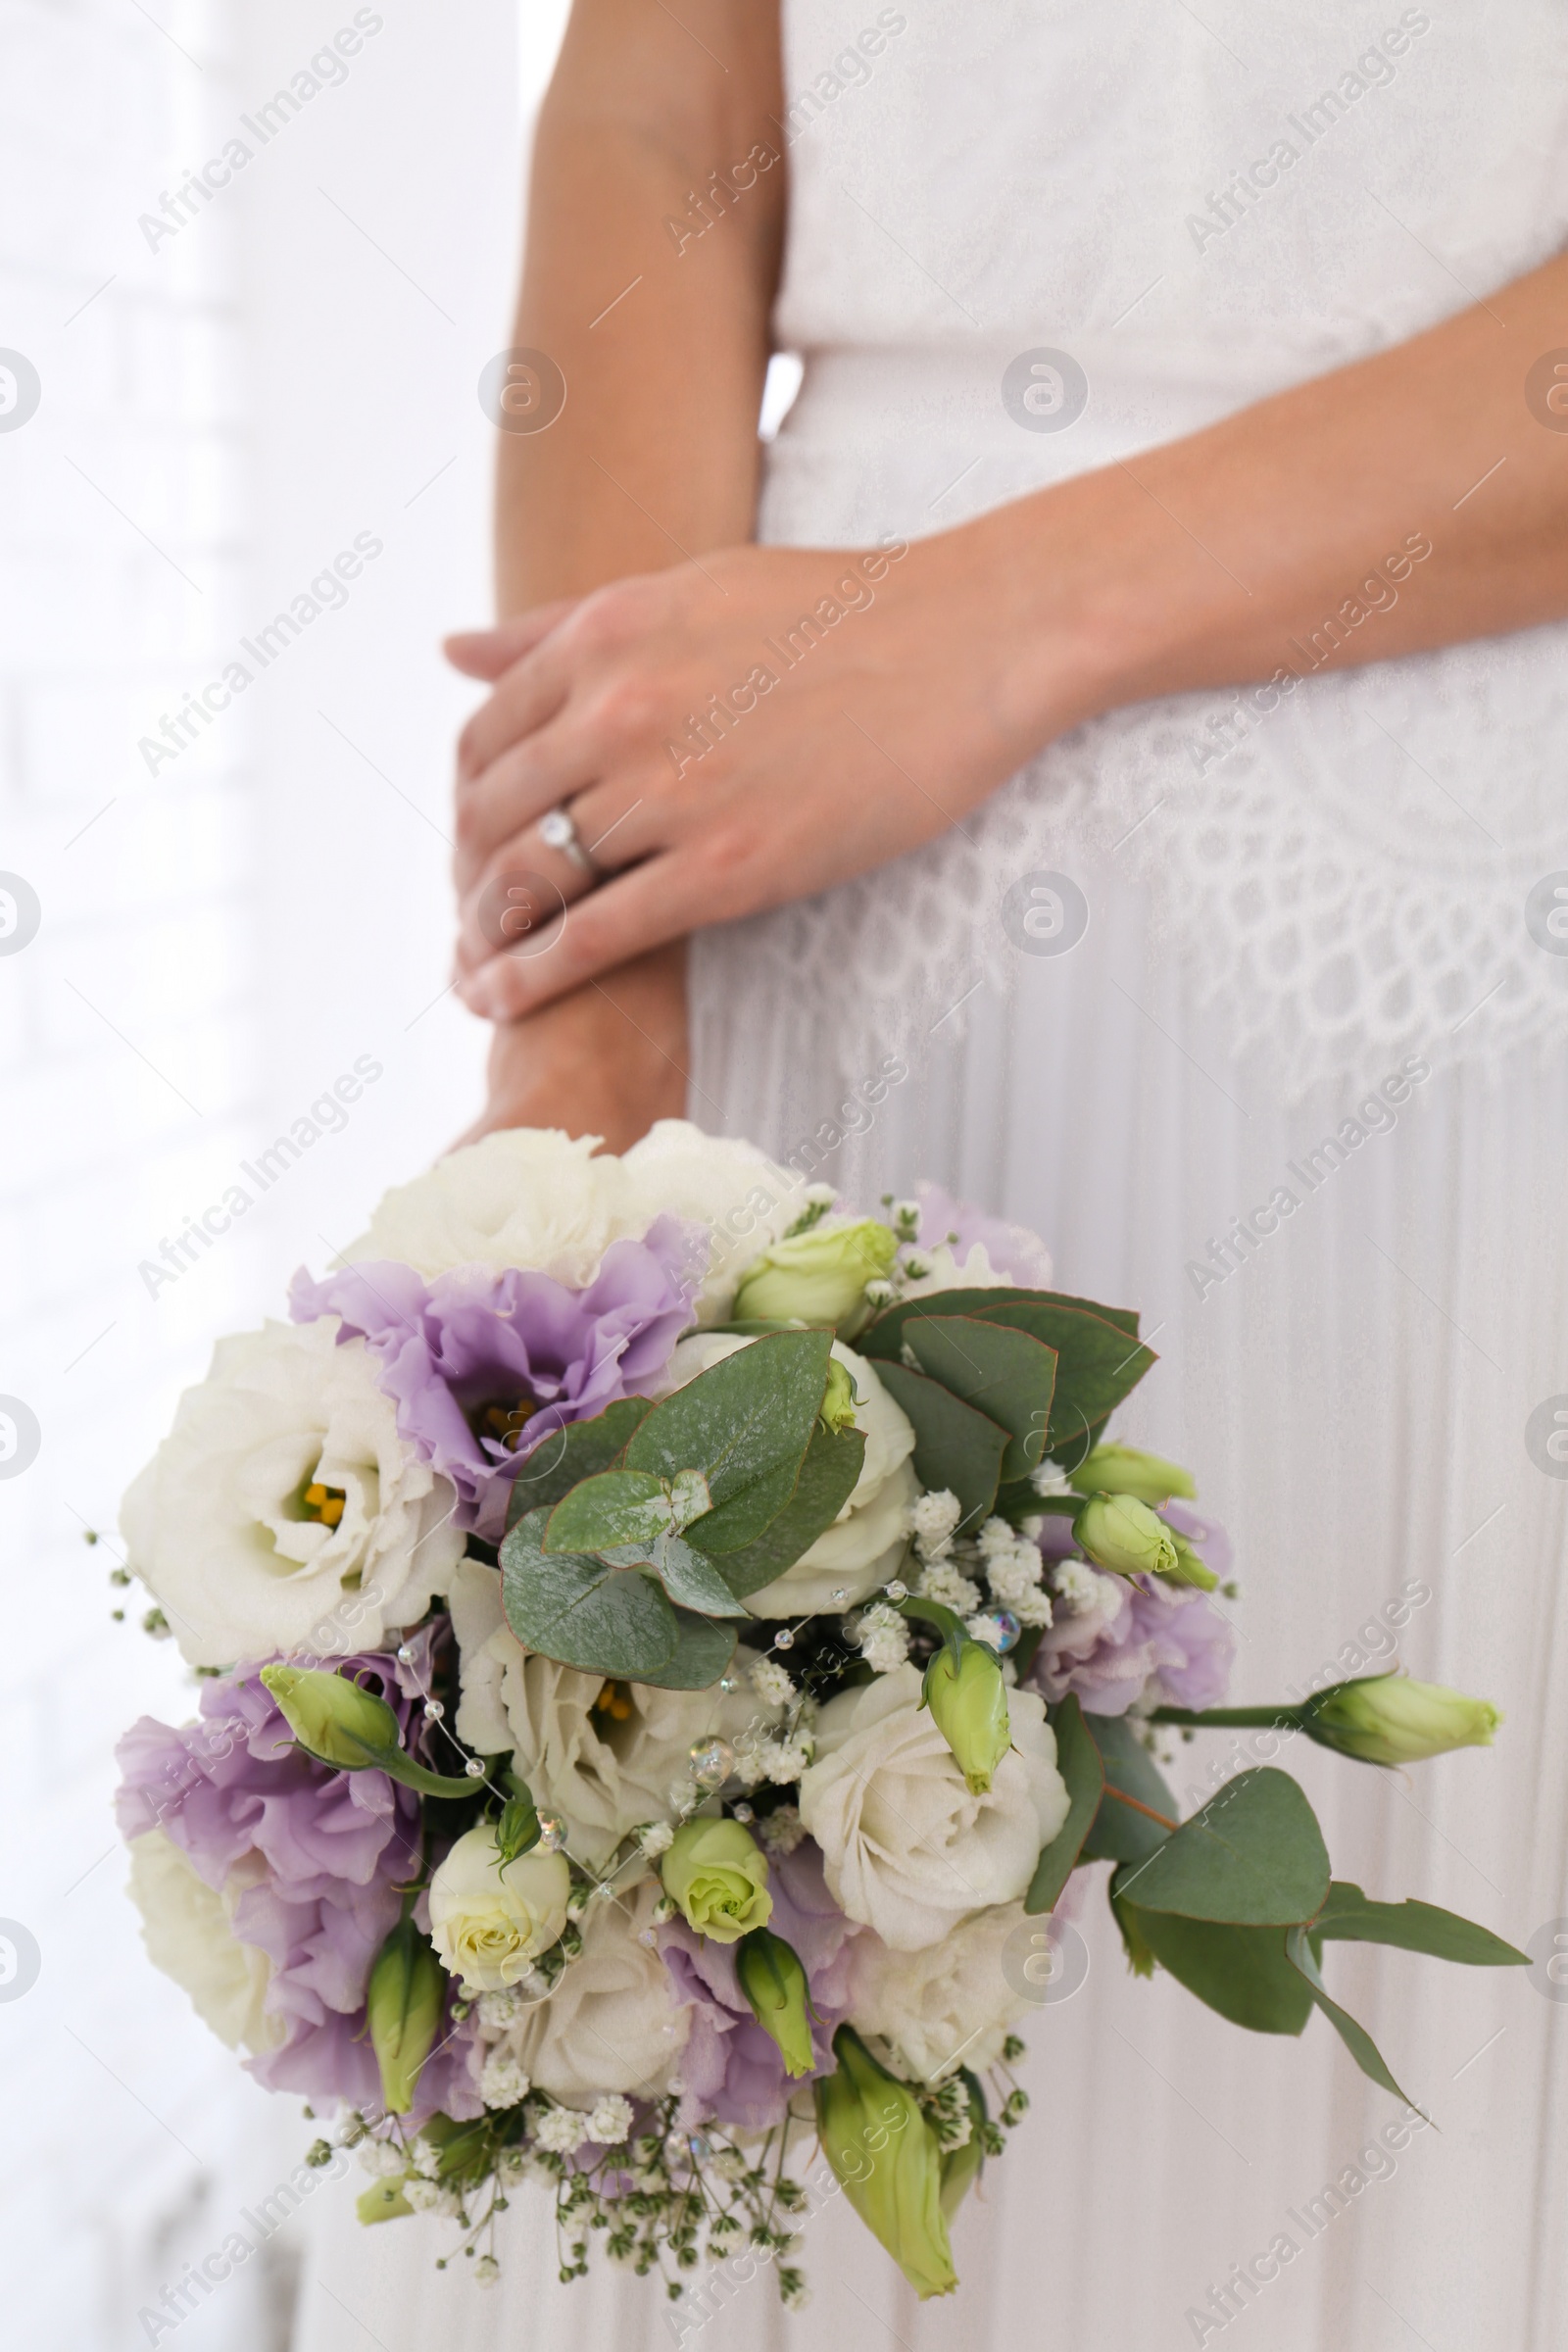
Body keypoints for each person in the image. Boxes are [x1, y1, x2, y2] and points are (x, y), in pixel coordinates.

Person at [293, 4, 1568, 2347]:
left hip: (1454, 906)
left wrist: (989, 619)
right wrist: (590, 997)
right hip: (788, 863)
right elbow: (665, 96)